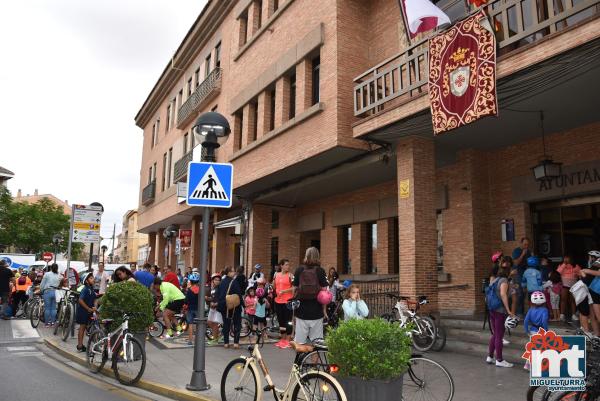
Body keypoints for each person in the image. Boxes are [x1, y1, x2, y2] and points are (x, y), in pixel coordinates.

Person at [293, 247, 329, 344]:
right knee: (317, 343)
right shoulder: (320, 271)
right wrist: (324, 310)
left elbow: (294, 290)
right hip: (316, 312)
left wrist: (294, 310)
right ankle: (314, 359)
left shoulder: (299, 270)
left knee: (299, 343)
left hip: (301, 311)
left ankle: (301, 359)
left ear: (306, 255)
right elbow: (324, 293)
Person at [486, 263, 516, 368]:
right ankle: (499, 359)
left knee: (495, 334)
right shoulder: (504, 281)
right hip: (500, 311)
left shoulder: (494, 280)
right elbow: (503, 294)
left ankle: (490, 357)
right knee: (499, 335)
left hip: (492, 309)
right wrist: (508, 310)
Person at [216, 266, 243, 348]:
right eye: (232, 271)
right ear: (228, 272)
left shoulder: (222, 282)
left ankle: (226, 343)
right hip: (234, 306)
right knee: (237, 324)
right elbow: (239, 294)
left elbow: (218, 294)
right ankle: (235, 343)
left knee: (226, 324)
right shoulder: (234, 282)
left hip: (224, 306)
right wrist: (242, 304)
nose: (234, 272)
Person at [523, 291, 549, 370]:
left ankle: (527, 364)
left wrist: (526, 331)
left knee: (532, 348)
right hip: (540, 332)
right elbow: (544, 321)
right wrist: (546, 331)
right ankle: (533, 365)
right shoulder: (545, 310)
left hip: (532, 331)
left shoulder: (531, 310)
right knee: (538, 349)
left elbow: (526, 321)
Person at [273, 258, 294, 348]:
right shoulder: (276, 274)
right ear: (281, 266)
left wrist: (284, 291)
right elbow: (274, 286)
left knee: (288, 321)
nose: (288, 267)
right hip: (278, 301)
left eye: (288, 265)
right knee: (281, 321)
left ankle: (288, 340)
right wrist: (272, 287)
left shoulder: (290, 275)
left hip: (287, 301)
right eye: (286, 265)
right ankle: (283, 340)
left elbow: (294, 288)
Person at [76, 273, 97, 352]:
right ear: (87, 281)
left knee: (87, 327)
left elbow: (95, 299)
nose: (93, 279)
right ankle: (80, 345)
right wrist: (88, 308)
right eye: (91, 278)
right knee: (82, 327)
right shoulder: (85, 289)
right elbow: (80, 300)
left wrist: (95, 306)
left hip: (89, 311)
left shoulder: (91, 289)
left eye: (93, 278)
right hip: (83, 311)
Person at [557, 255, 581, 321]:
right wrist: (564, 264)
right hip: (565, 285)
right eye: (565, 258)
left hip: (573, 286)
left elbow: (580, 274)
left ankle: (573, 314)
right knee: (563, 299)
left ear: (571, 259)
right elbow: (558, 271)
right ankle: (562, 314)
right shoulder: (561, 265)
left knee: (572, 300)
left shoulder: (576, 266)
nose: (566, 259)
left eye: (568, 258)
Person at [511, 238, 531, 317]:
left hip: (525, 274)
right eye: (525, 244)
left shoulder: (528, 251)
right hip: (518, 274)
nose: (526, 246)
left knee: (524, 293)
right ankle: (519, 312)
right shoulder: (517, 251)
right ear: (521, 243)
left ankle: (522, 311)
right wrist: (522, 254)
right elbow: (516, 263)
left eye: (527, 244)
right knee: (519, 293)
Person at [207, 274, 223, 345]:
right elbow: (213, 298)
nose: (217, 281)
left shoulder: (220, 288)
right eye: (216, 280)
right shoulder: (213, 288)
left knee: (215, 324)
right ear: (213, 280)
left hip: (217, 309)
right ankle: (219, 335)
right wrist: (208, 299)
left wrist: (216, 304)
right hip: (212, 308)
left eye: (218, 280)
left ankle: (215, 339)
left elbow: (222, 298)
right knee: (209, 322)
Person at [185, 272, 200, 346]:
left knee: (190, 324)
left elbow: (186, 301)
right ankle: (198, 340)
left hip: (190, 309)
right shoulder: (200, 290)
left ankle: (190, 341)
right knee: (198, 324)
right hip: (198, 309)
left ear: (190, 281)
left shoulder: (189, 290)